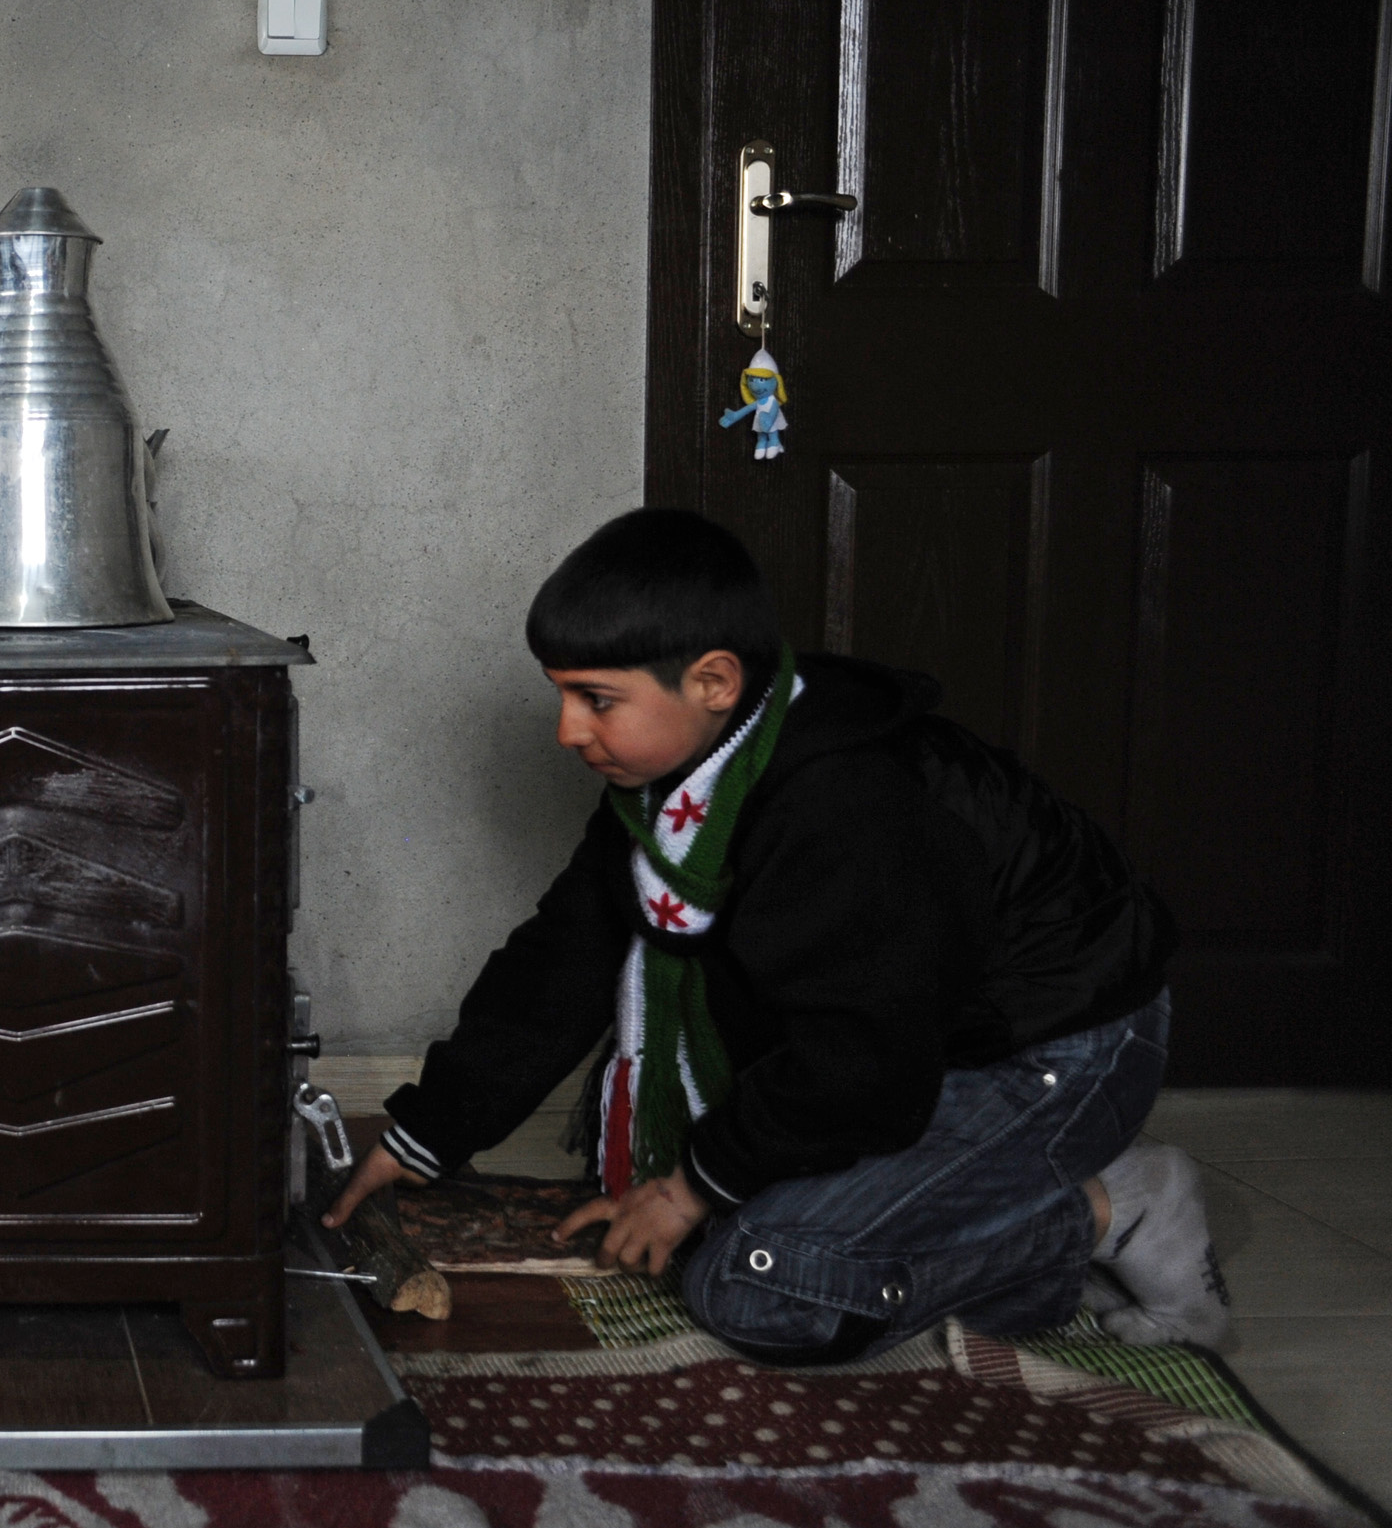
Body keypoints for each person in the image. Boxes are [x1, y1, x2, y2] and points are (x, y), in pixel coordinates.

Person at [323, 508, 1224, 1362]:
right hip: (916, 1049)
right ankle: (981, 1220)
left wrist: (690, 1186)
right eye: (561, 696)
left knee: (755, 1286)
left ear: (714, 681)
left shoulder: (851, 808)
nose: (567, 730)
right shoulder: (664, 794)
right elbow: (559, 964)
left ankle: (1120, 1208)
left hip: (1062, 1048)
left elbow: (866, 1059)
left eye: (596, 699)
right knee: (747, 1231)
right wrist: (422, 1136)